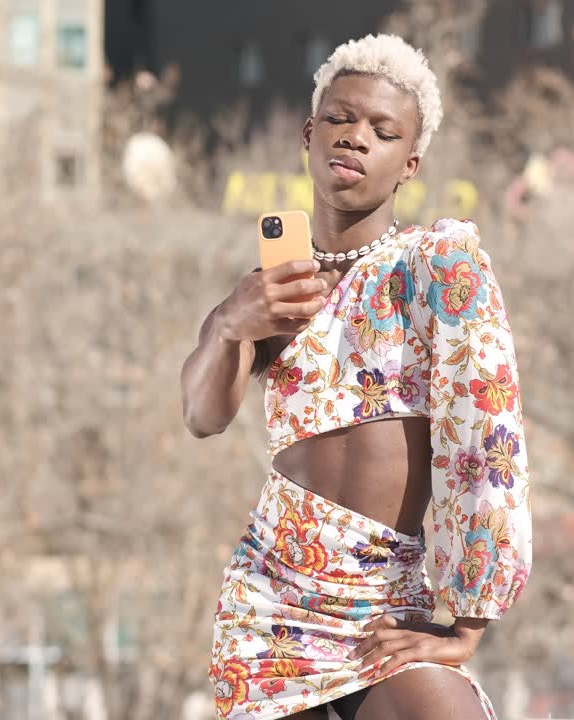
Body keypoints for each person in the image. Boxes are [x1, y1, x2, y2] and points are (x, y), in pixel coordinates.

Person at [180, 34, 532, 720]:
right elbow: (201, 417)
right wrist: (231, 323)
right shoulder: (270, 289)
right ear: (310, 134)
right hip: (270, 601)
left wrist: (469, 621)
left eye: (383, 130)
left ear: (410, 163)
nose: (356, 138)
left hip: (384, 599)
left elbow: (486, 437)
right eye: (340, 119)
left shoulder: (437, 268)